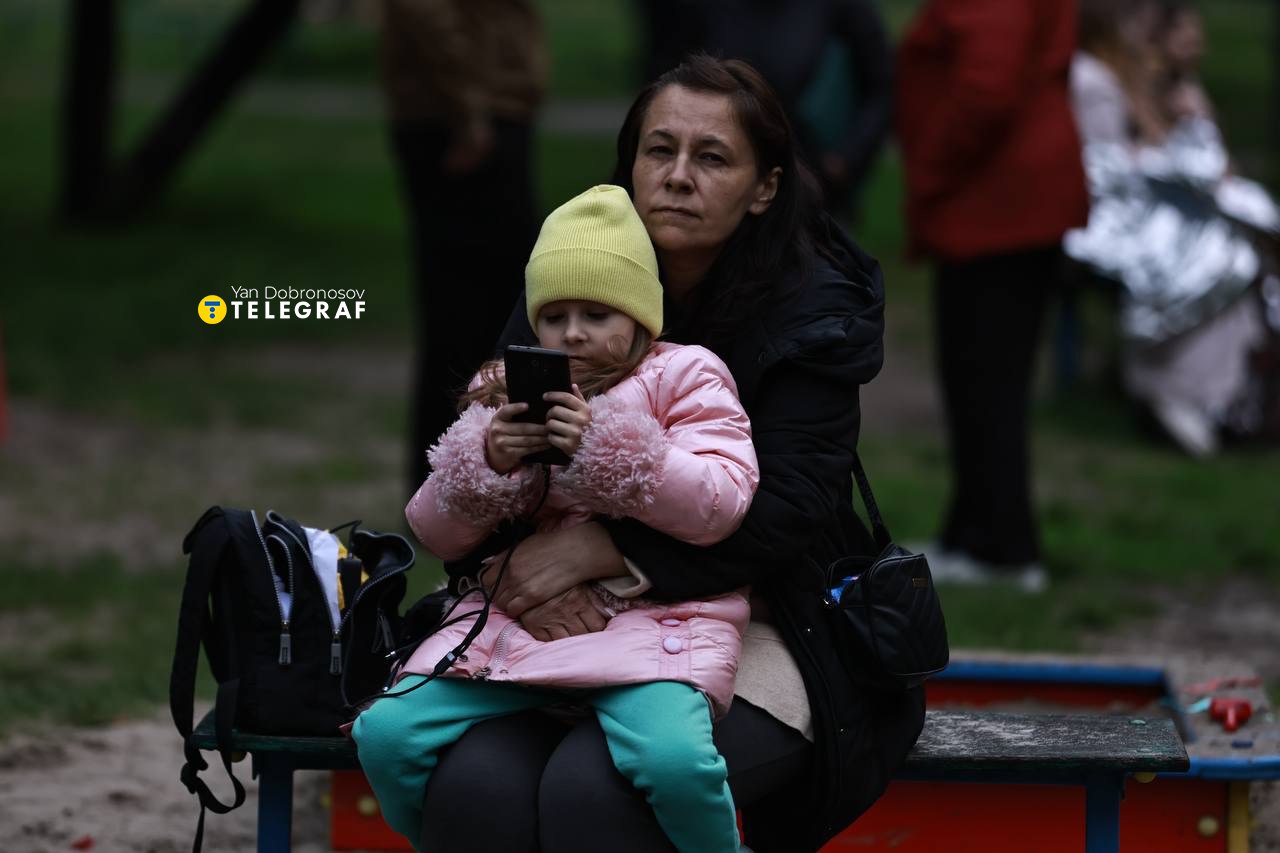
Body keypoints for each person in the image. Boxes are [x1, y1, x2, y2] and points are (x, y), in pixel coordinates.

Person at [388, 55, 923, 853]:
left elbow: (789, 511)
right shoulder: (574, 273)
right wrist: (517, 579)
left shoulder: (813, 309)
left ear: (764, 187)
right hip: (551, 617)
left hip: (763, 612)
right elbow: (488, 457)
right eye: (659, 150)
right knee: (473, 787)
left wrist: (600, 553)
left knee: (596, 790)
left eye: (712, 157)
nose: (677, 177)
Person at [353, 184, 759, 853]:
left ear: (641, 317)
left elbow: (720, 501)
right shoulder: (505, 392)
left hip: (653, 628)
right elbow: (436, 533)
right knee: (386, 735)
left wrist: (603, 445)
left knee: (675, 762)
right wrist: (486, 461)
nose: (572, 332)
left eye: (597, 313)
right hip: (518, 631)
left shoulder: (686, 375)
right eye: (554, 315)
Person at [896, 0, 1089, 591]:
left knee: (987, 378)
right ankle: (974, 535)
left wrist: (930, 166)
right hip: (1004, 195)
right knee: (979, 377)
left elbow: (987, 87)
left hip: (997, 198)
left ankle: (1002, 549)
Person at [1065, 0, 1280, 455]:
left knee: (1236, 248)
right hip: (1105, 226)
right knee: (1221, 262)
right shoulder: (1093, 81)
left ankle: (1216, 392)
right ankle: (1177, 391)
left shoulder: (1133, 79)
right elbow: (1106, 172)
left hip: (1143, 214)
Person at [377, 0, 546, 497]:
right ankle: (449, 481)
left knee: (491, 312)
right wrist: (468, 107)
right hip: (462, 120)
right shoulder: (467, 109)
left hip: (482, 111)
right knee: (470, 315)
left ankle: (470, 479)